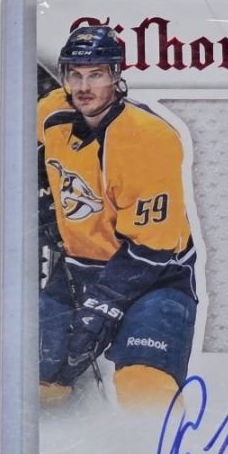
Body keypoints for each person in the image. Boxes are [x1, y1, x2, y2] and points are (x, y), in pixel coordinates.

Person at [37, 24, 197, 406]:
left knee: (145, 386)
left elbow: (154, 246)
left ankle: (166, 444)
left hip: (156, 276)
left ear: (115, 75)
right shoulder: (52, 113)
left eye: (95, 75)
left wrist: (101, 306)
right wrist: (45, 200)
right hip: (76, 271)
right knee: (30, 380)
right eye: (74, 74)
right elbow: (30, 150)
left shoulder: (148, 140)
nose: (83, 87)